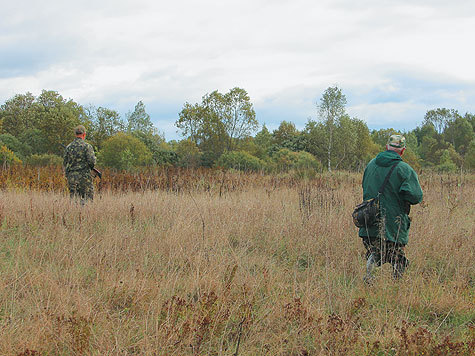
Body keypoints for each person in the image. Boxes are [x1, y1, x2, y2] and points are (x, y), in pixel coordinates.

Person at [359, 134, 423, 282]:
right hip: (393, 224)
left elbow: (365, 187)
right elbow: (416, 197)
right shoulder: (404, 169)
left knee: (375, 250)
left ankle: (370, 274)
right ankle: (396, 285)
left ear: (387, 147)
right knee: (397, 256)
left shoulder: (371, 165)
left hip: (368, 218)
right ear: (403, 151)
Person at [63, 125, 96, 203]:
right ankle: (85, 215)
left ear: (75, 134)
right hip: (85, 177)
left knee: (74, 200)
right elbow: (92, 162)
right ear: (84, 134)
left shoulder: (69, 147)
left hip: (72, 178)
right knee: (87, 201)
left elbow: (65, 163)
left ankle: (75, 214)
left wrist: (68, 174)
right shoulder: (87, 147)